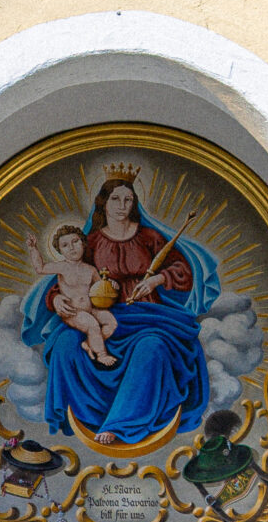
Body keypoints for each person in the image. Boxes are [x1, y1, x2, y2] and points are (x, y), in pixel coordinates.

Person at [16, 170, 222, 448]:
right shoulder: (90, 242)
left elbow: (181, 269)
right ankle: (87, 416)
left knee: (152, 347)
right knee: (65, 343)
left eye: (128, 199)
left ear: (135, 203)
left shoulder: (149, 237)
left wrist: (156, 280)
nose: (122, 205)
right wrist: (55, 299)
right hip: (99, 312)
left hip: (147, 315)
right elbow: (69, 277)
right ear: (103, 202)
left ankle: (122, 423)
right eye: (115, 199)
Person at [23, 222, 118, 367]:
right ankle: (101, 355)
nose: (72, 247)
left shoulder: (91, 269)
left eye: (75, 242)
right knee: (92, 325)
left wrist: (111, 285)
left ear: (83, 243)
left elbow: (100, 288)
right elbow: (40, 268)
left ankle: (89, 343)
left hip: (91, 308)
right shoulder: (62, 267)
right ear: (60, 250)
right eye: (65, 245)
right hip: (73, 312)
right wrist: (33, 249)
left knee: (111, 322)